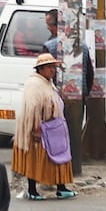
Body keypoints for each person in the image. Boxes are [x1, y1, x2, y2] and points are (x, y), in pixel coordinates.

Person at [16, 52, 77, 200]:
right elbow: (33, 108)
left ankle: (61, 188)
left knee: (60, 159)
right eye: (49, 67)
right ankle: (32, 190)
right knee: (35, 159)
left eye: (53, 67)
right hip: (40, 129)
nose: (52, 70)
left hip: (54, 129)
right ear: (41, 69)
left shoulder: (48, 82)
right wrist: (36, 129)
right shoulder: (34, 84)